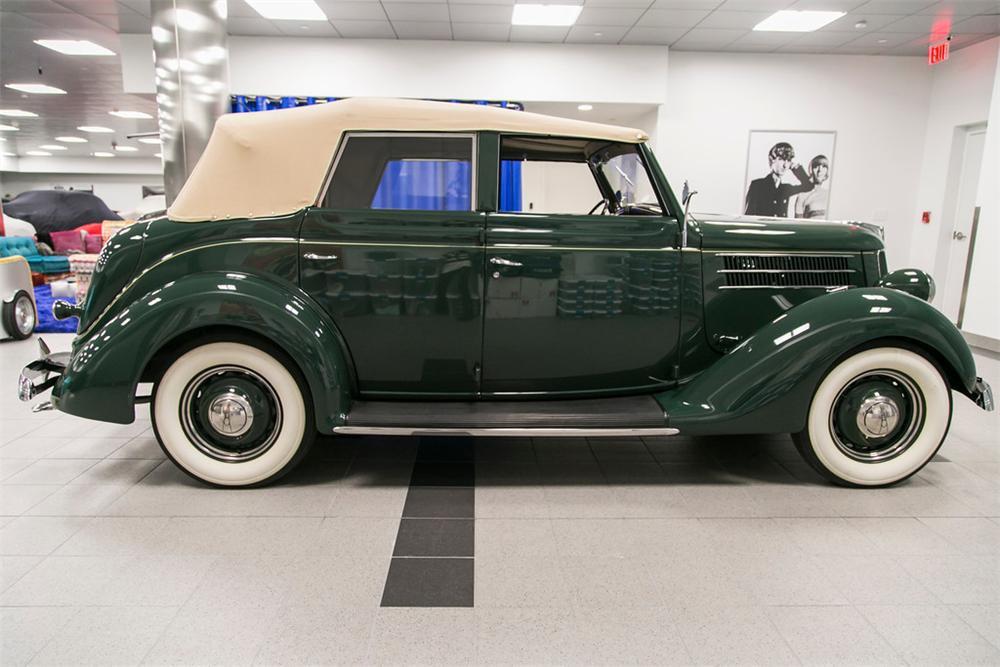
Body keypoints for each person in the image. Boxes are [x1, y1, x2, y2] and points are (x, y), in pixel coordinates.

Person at [744, 142, 814, 217]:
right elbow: (749, 215)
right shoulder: (757, 185)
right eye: (781, 159)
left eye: (789, 160)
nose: (785, 165)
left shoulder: (785, 188)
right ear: (772, 160)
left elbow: (808, 186)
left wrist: (796, 169)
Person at [795, 154, 830, 220]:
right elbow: (798, 225)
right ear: (811, 170)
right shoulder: (802, 196)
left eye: (824, 166)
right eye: (816, 166)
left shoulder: (831, 195)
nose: (820, 170)